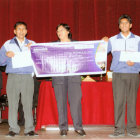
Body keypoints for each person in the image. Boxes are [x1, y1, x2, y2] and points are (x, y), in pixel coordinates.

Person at [0, 21, 38, 137]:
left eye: (23, 29)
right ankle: (13, 129)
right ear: (14, 31)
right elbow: (0, 61)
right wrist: (6, 55)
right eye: (19, 29)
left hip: (27, 77)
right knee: (13, 103)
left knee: (28, 103)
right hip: (13, 77)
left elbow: (40, 61)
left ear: (26, 31)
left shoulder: (32, 43)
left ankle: (29, 129)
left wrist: (34, 50)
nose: (21, 31)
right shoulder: (7, 44)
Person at [107, 14, 140, 138]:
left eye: (126, 23)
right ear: (119, 25)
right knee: (119, 102)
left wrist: (136, 62)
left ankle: (132, 130)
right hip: (118, 74)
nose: (124, 25)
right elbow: (101, 51)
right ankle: (119, 130)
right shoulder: (112, 40)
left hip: (133, 74)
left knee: (132, 102)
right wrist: (102, 42)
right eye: (122, 23)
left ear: (131, 25)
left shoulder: (138, 40)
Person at [52, 23, 86, 136]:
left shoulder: (77, 45)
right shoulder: (52, 46)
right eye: (57, 31)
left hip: (74, 77)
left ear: (68, 31)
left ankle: (78, 127)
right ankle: (63, 128)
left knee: (75, 103)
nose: (59, 33)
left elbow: (84, 58)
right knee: (61, 103)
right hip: (58, 78)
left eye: (61, 30)